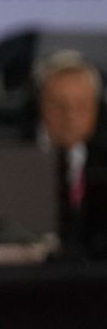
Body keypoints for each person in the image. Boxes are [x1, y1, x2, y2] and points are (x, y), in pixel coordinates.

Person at [33, 50, 107, 260]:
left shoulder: (103, 159)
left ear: (96, 109)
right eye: (59, 105)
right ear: (41, 104)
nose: (70, 117)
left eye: (81, 106)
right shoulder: (11, 153)